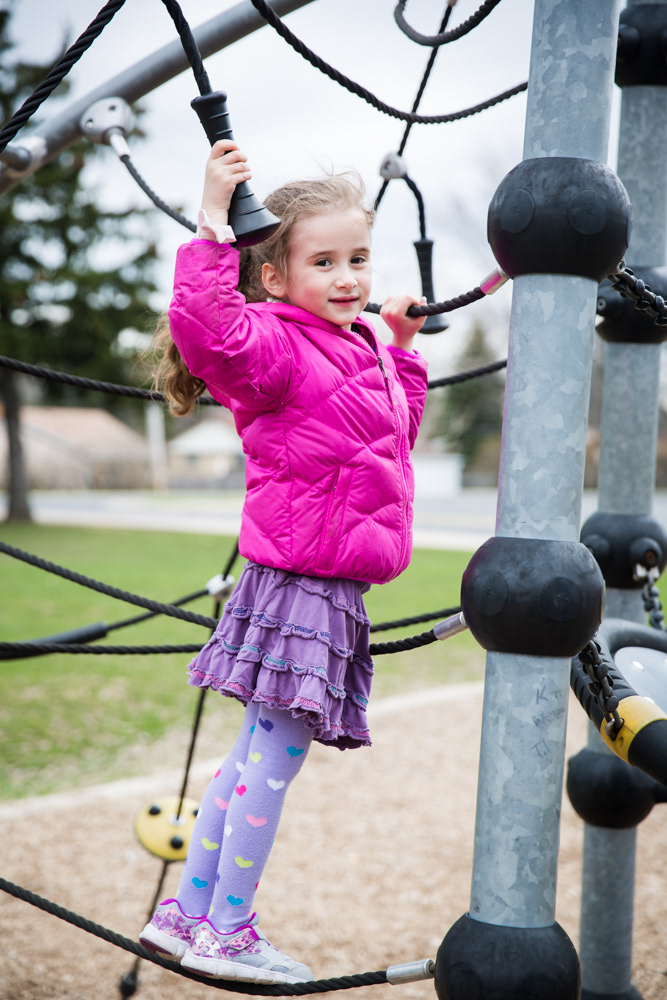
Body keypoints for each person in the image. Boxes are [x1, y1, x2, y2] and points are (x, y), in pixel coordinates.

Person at [139, 139, 429, 984]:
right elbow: (208, 332)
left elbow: (392, 441)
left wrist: (402, 346)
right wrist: (211, 222)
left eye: (357, 259)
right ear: (273, 277)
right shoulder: (273, 344)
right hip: (305, 583)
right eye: (323, 262)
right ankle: (227, 930)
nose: (346, 278)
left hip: (313, 581)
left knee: (249, 757)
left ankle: (186, 914)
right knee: (271, 764)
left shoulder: (357, 342)